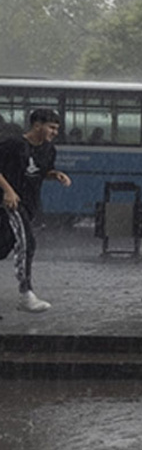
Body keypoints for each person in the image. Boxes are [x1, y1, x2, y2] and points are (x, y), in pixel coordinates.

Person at [0, 109, 72, 312]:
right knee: (27, 243)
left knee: (3, 246)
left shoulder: (49, 149)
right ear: (37, 125)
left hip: (29, 204)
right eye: (51, 127)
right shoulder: (13, 145)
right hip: (10, 203)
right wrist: (8, 191)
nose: (55, 132)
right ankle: (26, 294)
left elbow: (40, 171)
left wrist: (55, 174)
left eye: (57, 128)